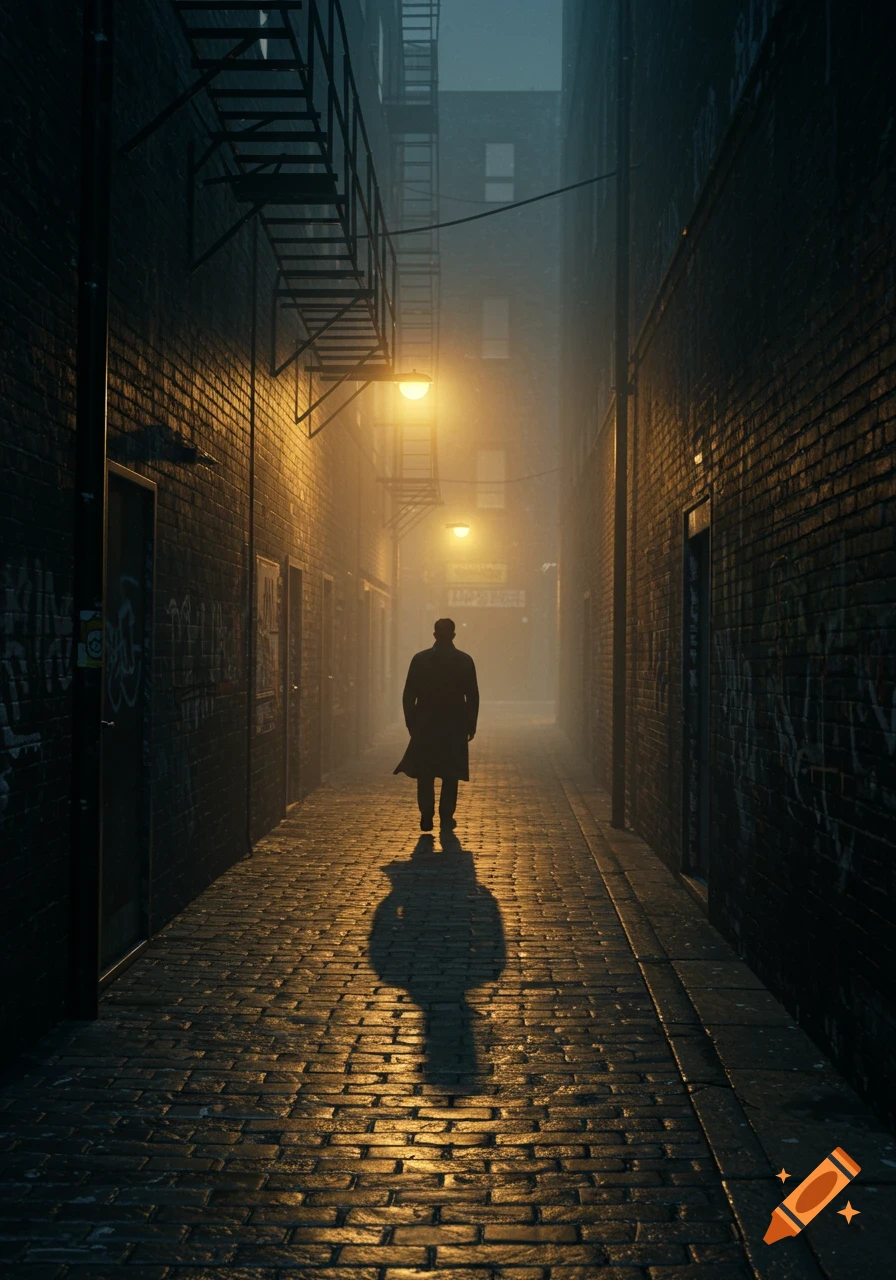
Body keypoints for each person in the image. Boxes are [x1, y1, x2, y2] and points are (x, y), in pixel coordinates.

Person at [394, 618, 479, 832]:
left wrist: (411, 722)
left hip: (426, 725)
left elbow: (408, 694)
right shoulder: (464, 661)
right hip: (454, 725)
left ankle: (426, 815)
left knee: (426, 773)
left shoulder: (420, 660)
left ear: (434, 635)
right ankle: (446, 817)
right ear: (453, 635)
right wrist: (470, 724)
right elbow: (472, 696)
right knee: (451, 774)